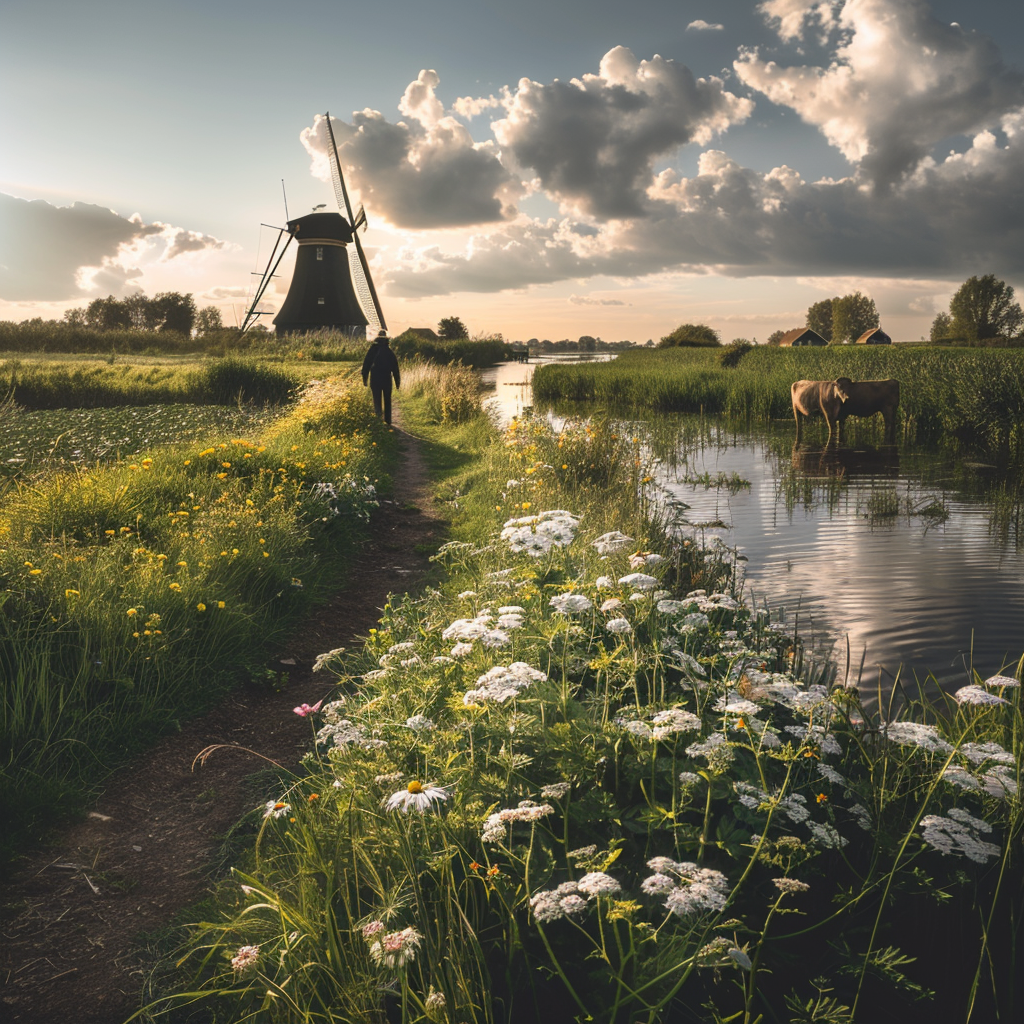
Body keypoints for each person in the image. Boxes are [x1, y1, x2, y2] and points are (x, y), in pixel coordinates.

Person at [361, 330, 400, 424]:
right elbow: (395, 367)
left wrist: (365, 378)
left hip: (375, 379)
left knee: (377, 400)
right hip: (387, 379)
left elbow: (366, 364)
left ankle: (378, 421)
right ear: (386, 339)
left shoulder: (372, 350)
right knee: (387, 400)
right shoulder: (389, 351)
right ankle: (388, 421)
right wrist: (397, 381)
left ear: (377, 338)